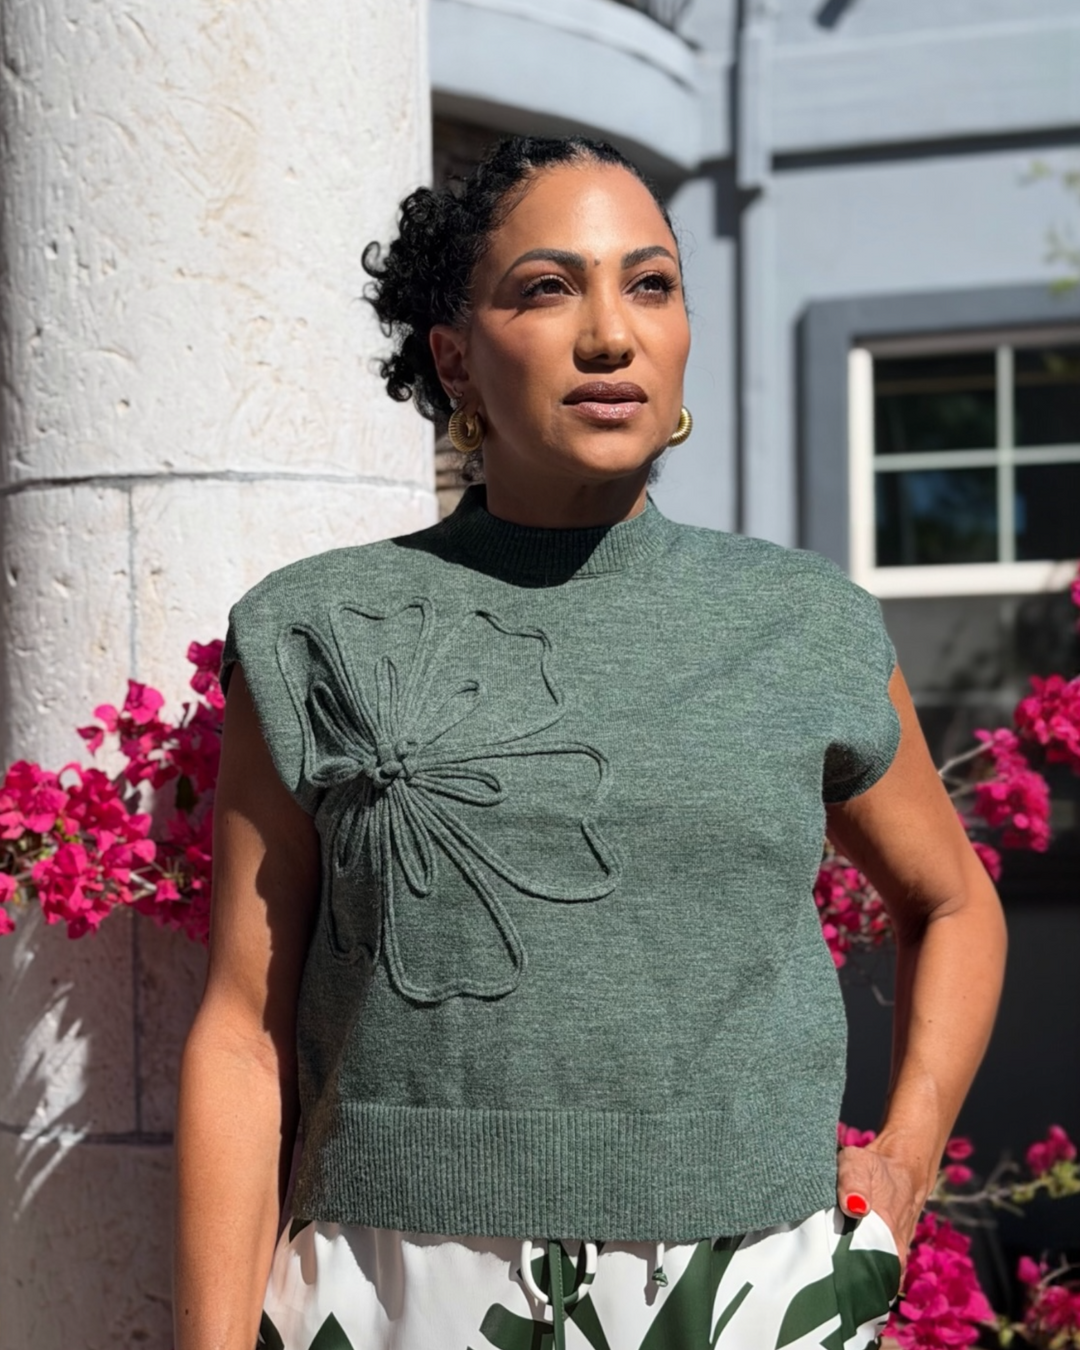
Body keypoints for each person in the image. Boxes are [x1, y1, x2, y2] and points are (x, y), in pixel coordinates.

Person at [174, 136, 1007, 1350]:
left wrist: (909, 1156)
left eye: (651, 284)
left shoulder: (803, 623)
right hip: (406, 1292)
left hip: (748, 1290)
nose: (610, 333)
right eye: (547, 287)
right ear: (453, 355)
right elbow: (244, 1034)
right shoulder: (318, 630)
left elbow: (953, 904)